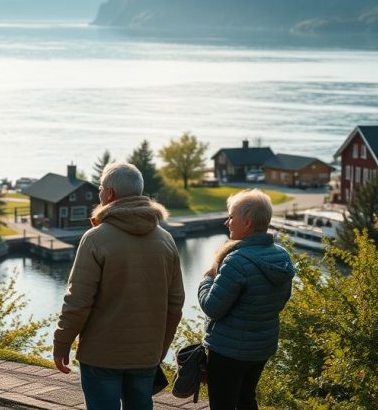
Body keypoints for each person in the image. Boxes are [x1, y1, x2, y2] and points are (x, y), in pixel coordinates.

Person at [53, 162, 185, 410]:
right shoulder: (165, 240)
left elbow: (77, 301)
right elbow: (176, 303)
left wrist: (62, 343)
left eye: (100, 188)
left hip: (101, 354)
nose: (99, 193)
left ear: (110, 194)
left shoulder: (95, 238)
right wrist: (159, 348)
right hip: (146, 355)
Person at [198, 189, 295, 410]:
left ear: (248, 222)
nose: (227, 222)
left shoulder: (236, 261)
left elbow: (212, 308)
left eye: (232, 217)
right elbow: (282, 301)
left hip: (228, 350)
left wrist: (206, 280)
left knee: (223, 404)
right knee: (246, 399)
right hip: (261, 347)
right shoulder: (281, 256)